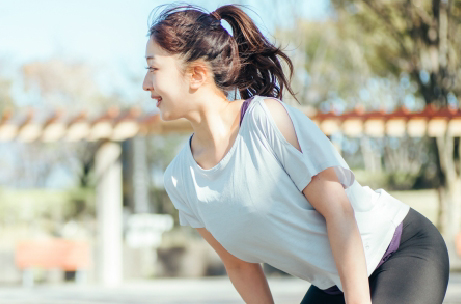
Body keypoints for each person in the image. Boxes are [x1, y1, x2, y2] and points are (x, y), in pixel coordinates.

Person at [142, 4, 449, 304]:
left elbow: (339, 212)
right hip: (334, 284)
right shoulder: (180, 179)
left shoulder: (265, 120)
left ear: (196, 74)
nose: (145, 84)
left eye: (153, 68)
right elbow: (239, 266)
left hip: (399, 251)